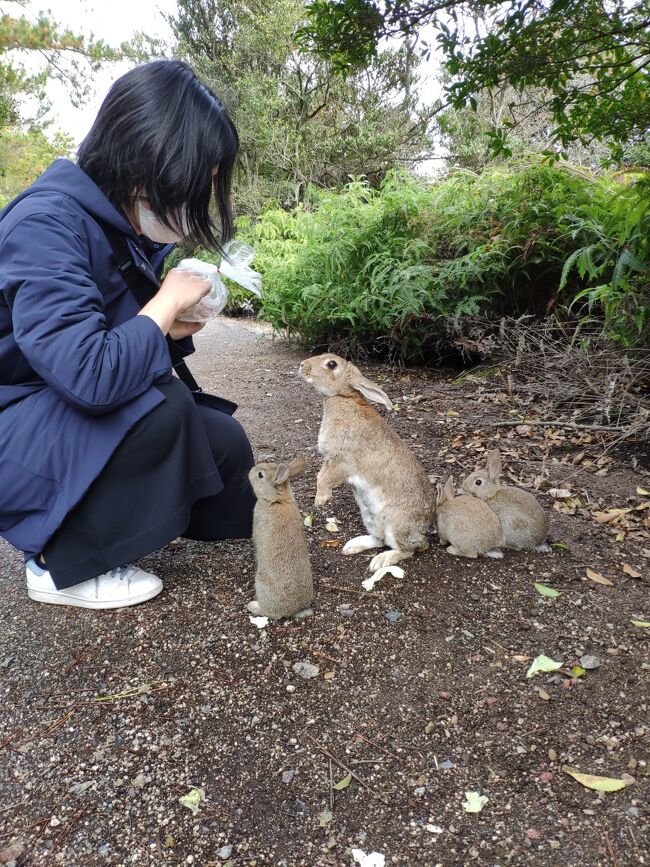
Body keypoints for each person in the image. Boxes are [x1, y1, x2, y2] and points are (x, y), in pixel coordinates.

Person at [0, 59, 256, 609]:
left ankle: (134, 523)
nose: (198, 199)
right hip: (14, 428)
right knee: (160, 407)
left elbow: (119, 338)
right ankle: (57, 565)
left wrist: (174, 324)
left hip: (51, 417)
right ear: (147, 159)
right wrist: (164, 303)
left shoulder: (115, 225)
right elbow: (89, 375)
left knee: (225, 448)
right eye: (197, 180)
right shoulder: (46, 223)